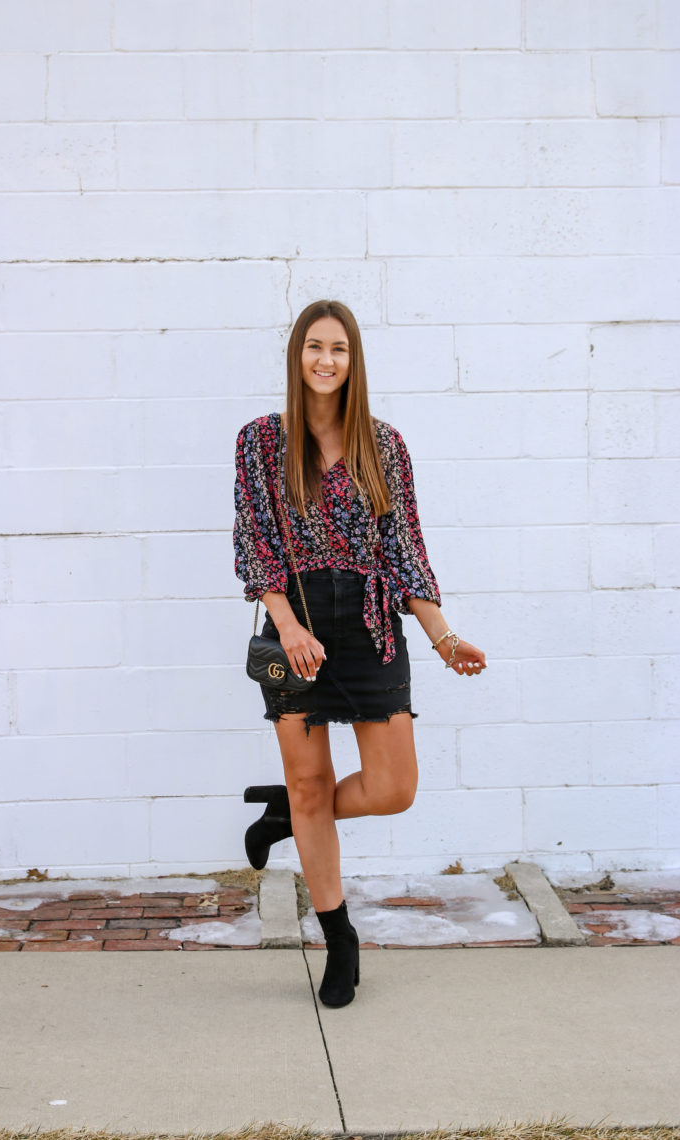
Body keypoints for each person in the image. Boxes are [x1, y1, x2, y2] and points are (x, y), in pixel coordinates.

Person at [233, 300, 486, 1009]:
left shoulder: (385, 445)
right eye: (314, 347)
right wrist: (285, 625)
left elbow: (404, 551)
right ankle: (338, 940)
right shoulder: (260, 442)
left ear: (354, 360)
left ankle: (289, 815)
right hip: (299, 626)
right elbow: (255, 545)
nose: (325, 360)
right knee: (313, 783)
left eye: (338, 349)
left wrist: (442, 636)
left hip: (372, 624)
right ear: (297, 356)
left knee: (394, 786)